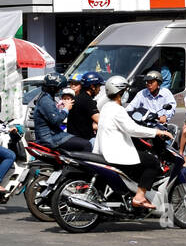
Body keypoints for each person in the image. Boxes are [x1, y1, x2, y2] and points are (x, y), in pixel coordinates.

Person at [96, 75, 172, 209]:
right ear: (120, 92)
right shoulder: (117, 109)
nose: (126, 94)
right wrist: (157, 132)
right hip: (116, 153)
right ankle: (139, 197)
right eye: (125, 91)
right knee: (152, 163)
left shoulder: (107, 107)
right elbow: (132, 129)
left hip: (105, 150)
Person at [31, 72, 92, 152]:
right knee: (87, 145)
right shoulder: (46, 101)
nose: (60, 90)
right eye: (59, 88)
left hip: (54, 135)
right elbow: (56, 121)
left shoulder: (46, 97)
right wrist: (66, 109)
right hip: (50, 138)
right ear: (53, 88)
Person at [67, 72, 102, 143]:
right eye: (98, 87)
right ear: (92, 87)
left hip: (73, 138)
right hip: (84, 140)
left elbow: (83, 123)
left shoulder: (78, 98)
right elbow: (101, 121)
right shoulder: (87, 100)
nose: (99, 90)